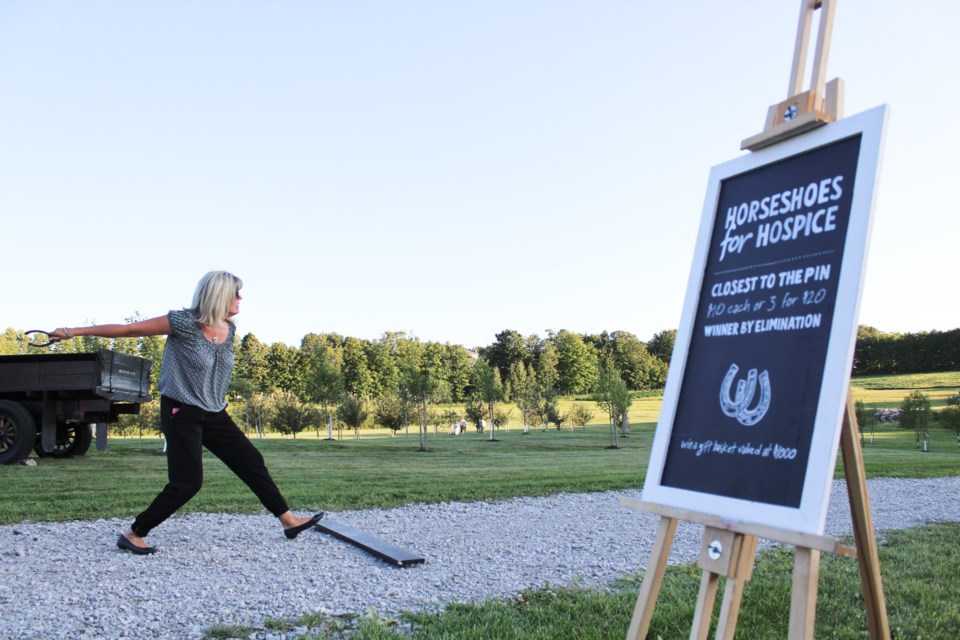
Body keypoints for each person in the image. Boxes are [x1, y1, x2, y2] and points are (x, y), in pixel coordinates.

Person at [46, 271, 323, 555]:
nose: (241, 299)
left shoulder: (230, 331)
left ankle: (288, 521)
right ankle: (134, 533)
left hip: (215, 411)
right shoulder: (183, 323)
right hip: (182, 411)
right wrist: (72, 332)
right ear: (219, 295)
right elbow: (129, 330)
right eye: (236, 293)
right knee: (187, 483)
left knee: (251, 460)